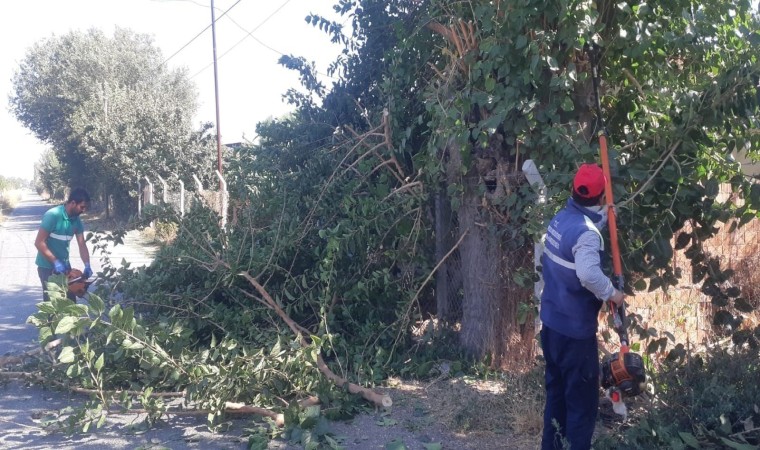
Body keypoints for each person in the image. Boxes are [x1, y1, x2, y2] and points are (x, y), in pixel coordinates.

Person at [539, 163, 625, 450]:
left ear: (573, 191)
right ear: (601, 198)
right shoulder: (587, 235)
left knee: (557, 399)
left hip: (551, 328)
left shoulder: (560, 220)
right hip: (575, 336)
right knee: (581, 408)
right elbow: (588, 274)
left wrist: (604, 217)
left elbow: (581, 232)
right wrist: (612, 294)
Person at [34, 187, 92, 301]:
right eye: (82, 207)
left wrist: (87, 264)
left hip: (65, 267)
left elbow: (82, 245)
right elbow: (39, 243)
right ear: (73, 203)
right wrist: (55, 262)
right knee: (53, 305)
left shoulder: (77, 221)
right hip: (47, 267)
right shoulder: (53, 216)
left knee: (70, 303)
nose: (84, 210)